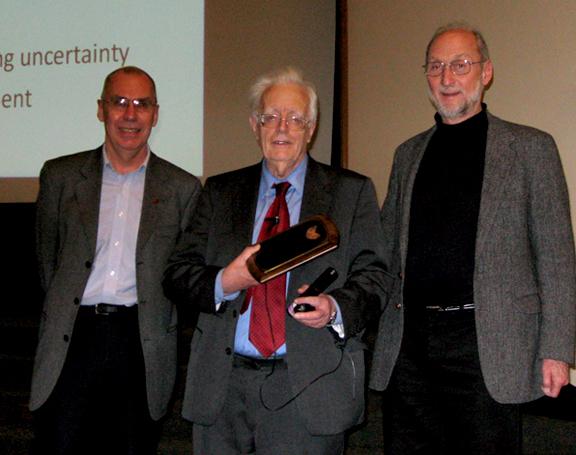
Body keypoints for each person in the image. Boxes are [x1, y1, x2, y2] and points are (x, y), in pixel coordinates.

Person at [370, 23, 576, 454]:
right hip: (410, 345)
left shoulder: (530, 149)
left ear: (486, 73)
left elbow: (557, 258)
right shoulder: (408, 154)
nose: (447, 78)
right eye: (436, 67)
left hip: (486, 344)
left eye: (460, 65)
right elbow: (384, 250)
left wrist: (556, 349)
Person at [163, 67, 388, 454]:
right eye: (270, 117)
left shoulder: (350, 193)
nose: (282, 127)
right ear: (255, 124)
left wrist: (334, 307)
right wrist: (226, 282)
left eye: (295, 118)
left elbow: (376, 277)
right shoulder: (219, 192)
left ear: (312, 127)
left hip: (308, 384)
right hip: (223, 386)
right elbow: (176, 274)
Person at [30, 66, 201, 454]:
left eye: (141, 104)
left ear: (155, 114)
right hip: (71, 338)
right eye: (119, 102)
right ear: (101, 109)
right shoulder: (60, 176)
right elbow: (47, 261)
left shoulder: (183, 188)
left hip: (139, 342)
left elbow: (182, 274)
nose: (130, 114)